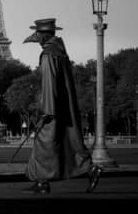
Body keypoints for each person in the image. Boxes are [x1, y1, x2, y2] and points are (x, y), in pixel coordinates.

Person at [22, 18, 103, 194]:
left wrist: (47, 111)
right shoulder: (60, 52)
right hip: (65, 106)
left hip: (51, 108)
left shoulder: (48, 55)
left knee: (44, 141)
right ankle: (88, 169)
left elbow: (50, 83)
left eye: (38, 34)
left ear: (42, 36)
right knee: (69, 142)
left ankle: (42, 182)